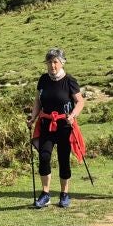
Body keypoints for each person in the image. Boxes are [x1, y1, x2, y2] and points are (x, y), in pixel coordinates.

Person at [32, 47, 85, 209]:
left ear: (62, 63)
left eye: (55, 62)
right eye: (49, 62)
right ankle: (45, 194)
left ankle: (64, 194)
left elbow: (80, 101)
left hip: (64, 126)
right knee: (44, 157)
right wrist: (32, 117)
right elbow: (37, 102)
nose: (52, 66)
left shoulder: (69, 80)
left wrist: (73, 115)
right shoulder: (43, 80)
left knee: (63, 160)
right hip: (47, 125)